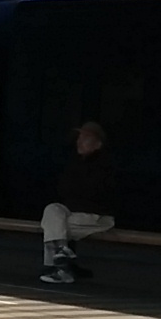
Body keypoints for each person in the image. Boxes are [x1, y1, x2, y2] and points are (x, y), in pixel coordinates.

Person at [39, 121, 116, 286]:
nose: (79, 141)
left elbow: (94, 193)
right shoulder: (76, 162)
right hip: (74, 213)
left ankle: (56, 266)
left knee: (52, 225)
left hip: (97, 217)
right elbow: (63, 189)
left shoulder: (105, 165)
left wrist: (76, 189)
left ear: (98, 144)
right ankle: (62, 256)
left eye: (86, 138)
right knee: (52, 209)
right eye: (79, 137)